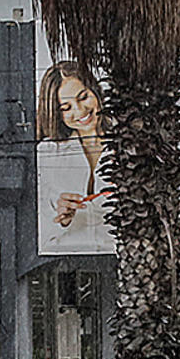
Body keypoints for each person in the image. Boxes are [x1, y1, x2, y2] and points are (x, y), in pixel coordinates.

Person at [37, 60, 113, 250]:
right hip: (65, 262)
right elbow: (35, 231)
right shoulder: (47, 154)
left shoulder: (128, 145)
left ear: (95, 90)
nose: (79, 111)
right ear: (56, 113)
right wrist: (61, 219)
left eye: (83, 97)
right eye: (66, 108)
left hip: (126, 261)